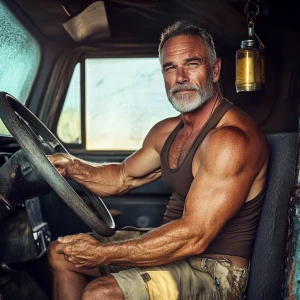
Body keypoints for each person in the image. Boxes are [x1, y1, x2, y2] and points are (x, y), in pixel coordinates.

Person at [48, 20, 269, 300]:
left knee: (100, 293)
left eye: (191, 64)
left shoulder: (230, 141)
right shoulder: (166, 132)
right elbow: (122, 177)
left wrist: (101, 254)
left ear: (214, 71)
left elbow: (193, 236)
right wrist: (71, 167)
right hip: (171, 250)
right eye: (170, 67)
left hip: (214, 271)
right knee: (62, 253)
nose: (180, 77)